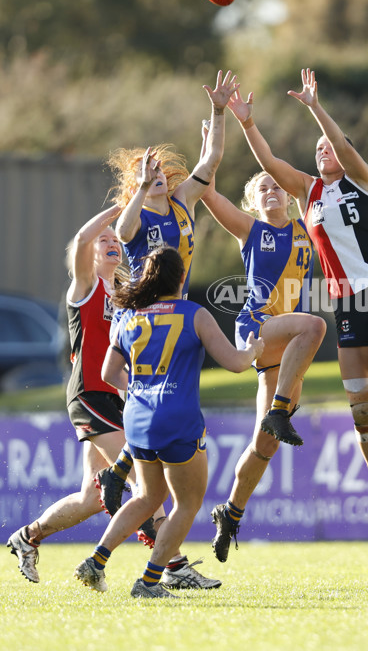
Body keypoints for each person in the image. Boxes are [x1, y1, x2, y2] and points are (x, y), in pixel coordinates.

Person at [227, 68, 368, 531]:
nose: (323, 150)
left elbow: (344, 148)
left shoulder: (361, 181)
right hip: (346, 304)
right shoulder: (308, 193)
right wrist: (248, 124)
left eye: (328, 146)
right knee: (361, 406)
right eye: (317, 150)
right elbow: (270, 164)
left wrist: (315, 108)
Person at [74, 246, 264, 598]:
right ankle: (148, 583)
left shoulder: (130, 316)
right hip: (177, 419)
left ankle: (96, 561)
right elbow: (236, 363)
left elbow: (108, 373)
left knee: (147, 497)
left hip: (138, 419)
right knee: (187, 504)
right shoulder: (194, 314)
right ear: (181, 277)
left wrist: (143, 390)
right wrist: (253, 350)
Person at [94, 70, 239, 519]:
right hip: (140, 315)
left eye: (157, 172)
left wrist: (218, 111)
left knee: (157, 398)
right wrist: (138, 188)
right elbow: (120, 230)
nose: (156, 177)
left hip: (173, 312)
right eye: (147, 174)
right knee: (142, 394)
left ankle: (120, 471)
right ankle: (123, 471)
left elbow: (211, 160)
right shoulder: (134, 217)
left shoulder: (182, 202)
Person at [200, 161, 326, 562]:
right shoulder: (251, 230)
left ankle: (230, 514)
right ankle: (279, 412)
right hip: (256, 328)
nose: (271, 190)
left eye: (277, 186)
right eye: (262, 188)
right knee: (314, 326)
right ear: (252, 202)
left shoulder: (307, 228)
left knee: (264, 445)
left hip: (282, 343)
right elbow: (208, 193)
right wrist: (213, 151)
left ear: (290, 195)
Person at [5, 206, 141, 581]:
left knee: (93, 499)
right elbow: (82, 237)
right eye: (105, 240)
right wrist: (125, 204)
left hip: (114, 397)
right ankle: (171, 565)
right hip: (89, 395)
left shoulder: (124, 294)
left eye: (116, 239)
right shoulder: (86, 286)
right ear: (90, 254)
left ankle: (28, 537)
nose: (112, 243)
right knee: (141, 479)